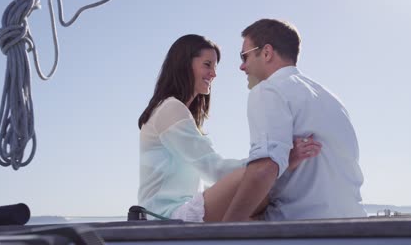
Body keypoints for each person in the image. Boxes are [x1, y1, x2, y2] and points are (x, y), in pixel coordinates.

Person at [137, 34, 321, 222]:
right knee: (257, 178)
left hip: (176, 212)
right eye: (207, 65)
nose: (214, 74)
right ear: (184, 64)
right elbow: (213, 169)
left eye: (215, 67)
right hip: (165, 217)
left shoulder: (175, 110)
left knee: (262, 194)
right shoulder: (170, 109)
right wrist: (276, 159)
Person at [222, 19, 367, 221]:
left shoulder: (269, 90)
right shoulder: (332, 100)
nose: (241, 66)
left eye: (244, 56)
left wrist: (223, 232)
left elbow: (263, 169)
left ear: (266, 52)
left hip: (298, 226)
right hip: (353, 224)